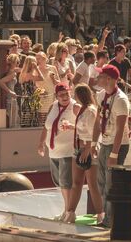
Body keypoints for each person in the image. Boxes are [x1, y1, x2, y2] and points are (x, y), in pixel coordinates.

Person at [92, 65, 130, 226]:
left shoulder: (121, 99)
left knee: (110, 184)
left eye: (101, 76)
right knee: (101, 181)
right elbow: (98, 119)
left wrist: (114, 154)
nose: (97, 78)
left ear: (109, 79)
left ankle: (111, 221)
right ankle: (108, 217)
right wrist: (94, 142)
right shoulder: (101, 95)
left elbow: (121, 129)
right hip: (105, 142)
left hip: (118, 145)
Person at [37, 83, 79, 221]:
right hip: (53, 151)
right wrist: (41, 143)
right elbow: (46, 127)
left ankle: (69, 211)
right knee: (60, 183)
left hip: (68, 151)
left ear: (70, 93)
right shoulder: (53, 106)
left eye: (66, 94)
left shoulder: (75, 107)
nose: (64, 97)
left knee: (66, 182)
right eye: (61, 95)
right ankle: (66, 210)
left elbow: (86, 126)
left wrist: (72, 127)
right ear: (56, 96)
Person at [63, 84, 104, 224]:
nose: (74, 97)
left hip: (88, 149)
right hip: (78, 149)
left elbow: (95, 131)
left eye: (76, 94)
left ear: (80, 95)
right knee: (76, 182)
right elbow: (84, 129)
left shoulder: (91, 111)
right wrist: (71, 127)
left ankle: (100, 214)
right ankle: (70, 212)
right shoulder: (83, 109)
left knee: (92, 184)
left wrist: (88, 149)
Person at [35, 52, 60, 124]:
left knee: (51, 116)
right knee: (41, 117)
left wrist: (53, 79)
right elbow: (33, 85)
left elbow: (58, 82)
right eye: (37, 59)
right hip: (41, 96)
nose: (38, 60)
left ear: (45, 58)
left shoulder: (52, 68)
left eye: (40, 58)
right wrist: (40, 91)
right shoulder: (36, 69)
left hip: (51, 95)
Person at [19, 56, 44, 127]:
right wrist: (36, 68)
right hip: (29, 99)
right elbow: (42, 78)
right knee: (30, 119)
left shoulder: (23, 73)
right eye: (35, 63)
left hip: (27, 98)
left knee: (27, 119)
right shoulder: (28, 74)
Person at [0, 54, 20, 127]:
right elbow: (1, 82)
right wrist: (10, 92)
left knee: (12, 118)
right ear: (14, 62)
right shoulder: (12, 73)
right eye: (17, 62)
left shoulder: (10, 71)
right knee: (12, 119)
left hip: (10, 97)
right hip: (11, 97)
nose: (18, 63)